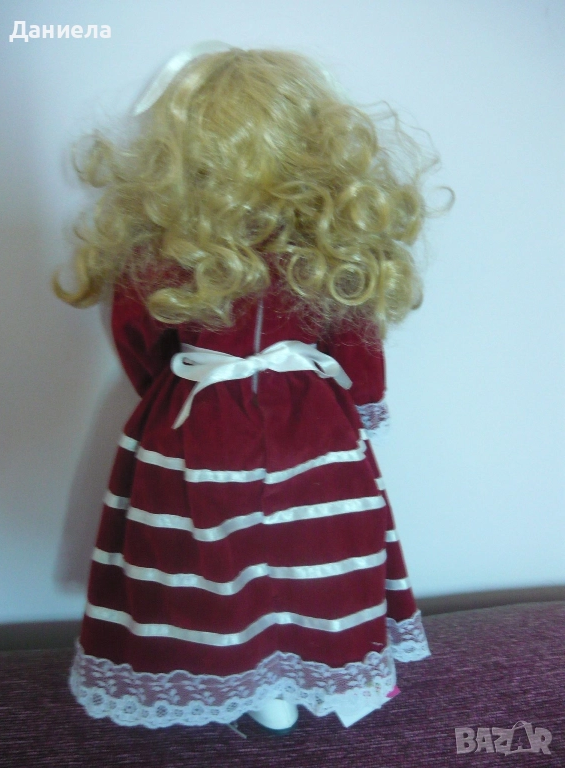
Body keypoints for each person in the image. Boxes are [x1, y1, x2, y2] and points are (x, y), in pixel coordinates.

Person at [55, 43, 439, 733]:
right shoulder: (334, 246)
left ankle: (248, 679)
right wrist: (357, 408)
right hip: (310, 429)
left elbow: (139, 342)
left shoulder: (162, 248)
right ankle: (284, 681)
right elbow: (359, 349)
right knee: (311, 552)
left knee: (209, 561)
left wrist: (173, 396)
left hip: (200, 426)